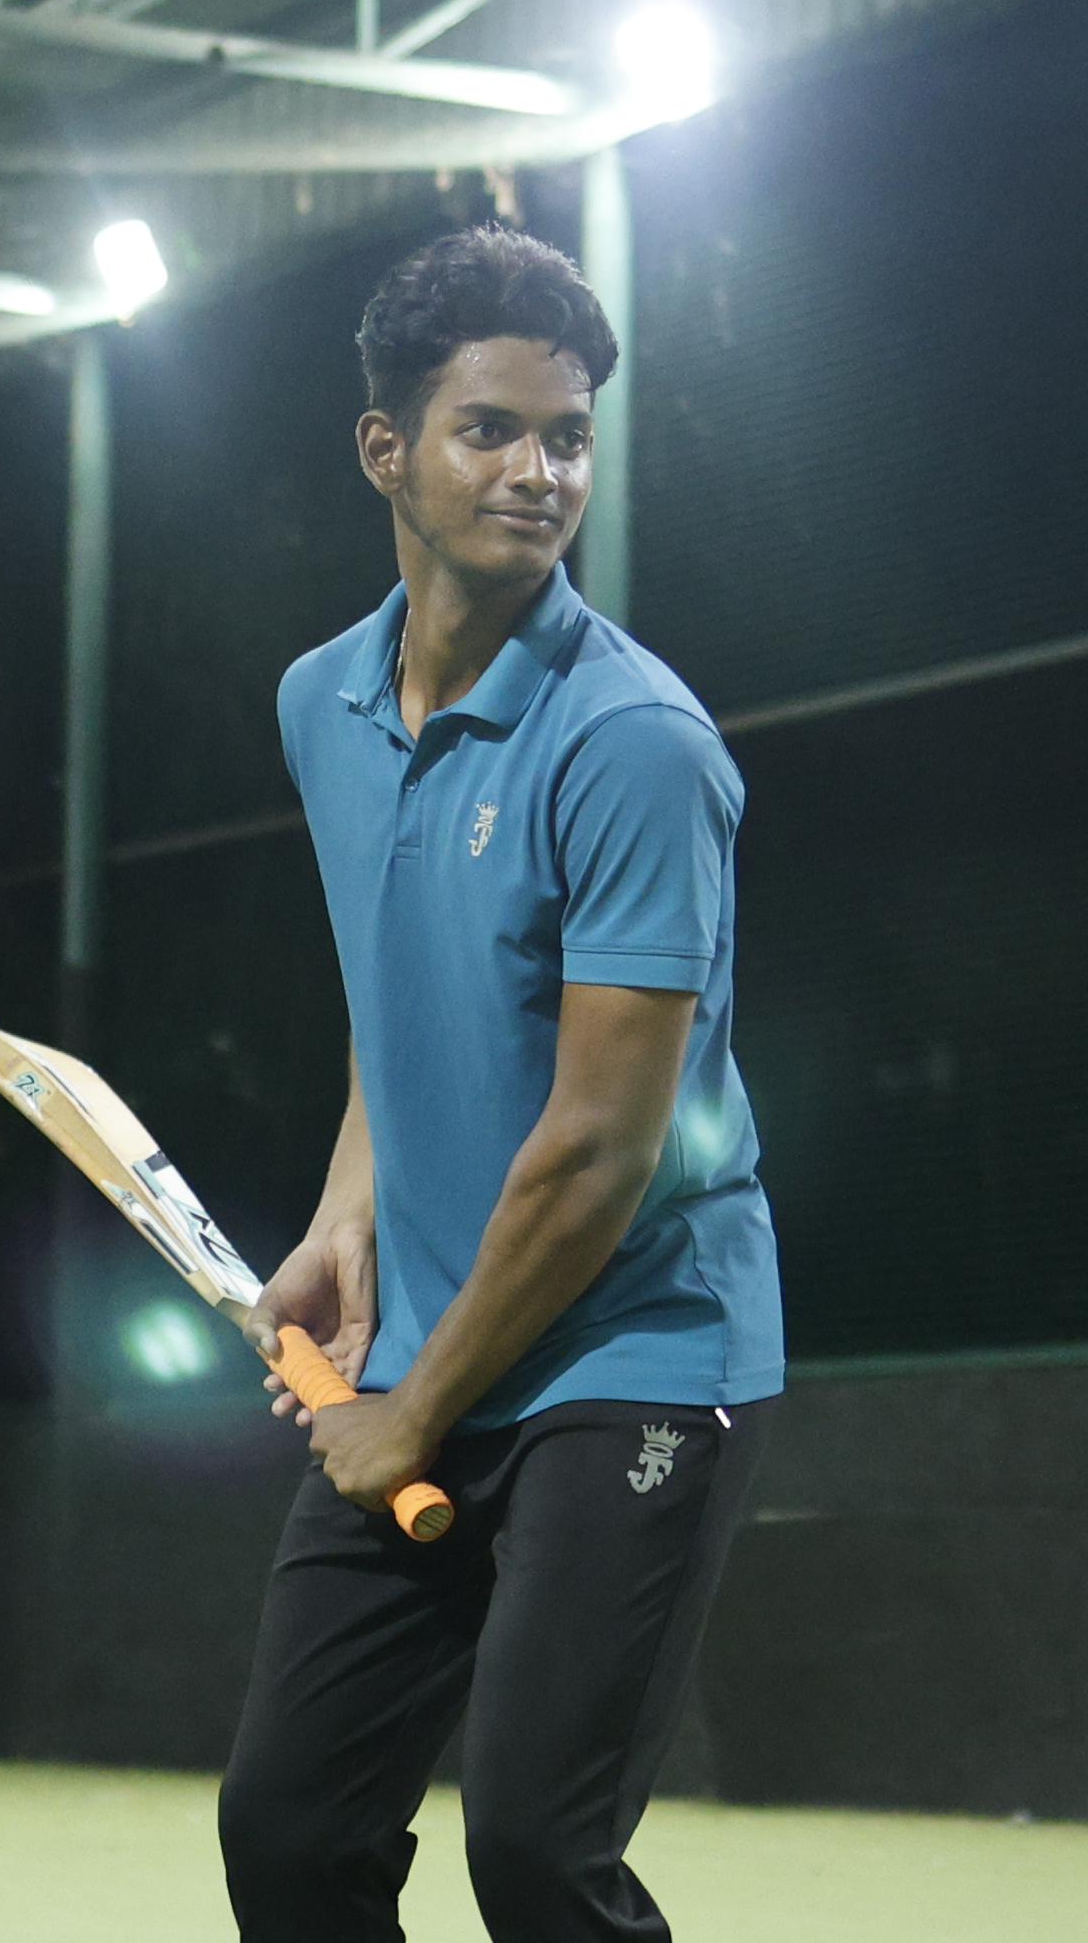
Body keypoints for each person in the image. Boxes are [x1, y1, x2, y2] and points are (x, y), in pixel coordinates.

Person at [217, 224, 783, 1943]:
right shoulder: (321, 701)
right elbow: (399, 994)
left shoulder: (636, 746)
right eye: (491, 431)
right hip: (429, 1347)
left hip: (635, 1353)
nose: (540, 474)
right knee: (290, 1833)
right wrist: (348, 1214)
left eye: (570, 436)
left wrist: (410, 1409)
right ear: (386, 449)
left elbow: (599, 1149)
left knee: (536, 1852)